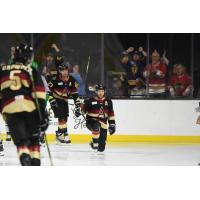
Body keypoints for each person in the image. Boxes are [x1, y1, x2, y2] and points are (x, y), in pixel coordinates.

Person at [0, 43, 49, 166]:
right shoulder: (31, 70)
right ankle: (35, 160)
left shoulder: (2, 70)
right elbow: (39, 94)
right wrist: (42, 113)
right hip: (29, 108)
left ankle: (24, 154)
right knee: (33, 138)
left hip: (10, 109)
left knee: (21, 140)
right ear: (28, 57)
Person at [47, 62, 81, 144]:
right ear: (59, 71)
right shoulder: (54, 79)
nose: (64, 72)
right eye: (62, 70)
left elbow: (74, 94)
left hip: (65, 100)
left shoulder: (72, 79)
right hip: (56, 100)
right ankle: (65, 134)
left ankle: (58, 134)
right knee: (61, 117)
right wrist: (51, 100)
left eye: (66, 70)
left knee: (65, 118)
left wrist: (77, 106)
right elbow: (49, 91)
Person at [82, 84, 116, 152]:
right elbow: (83, 111)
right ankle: (95, 142)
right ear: (96, 92)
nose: (101, 93)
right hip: (91, 121)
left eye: (102, 91)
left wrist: (112, 124)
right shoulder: (90, 100)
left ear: (104, 92)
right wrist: (80, 110)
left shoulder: (108, 101)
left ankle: (93, 143)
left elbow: (111, 114)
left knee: (101, 149)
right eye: (99, 91)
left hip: (103, 123)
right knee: (96, 127)